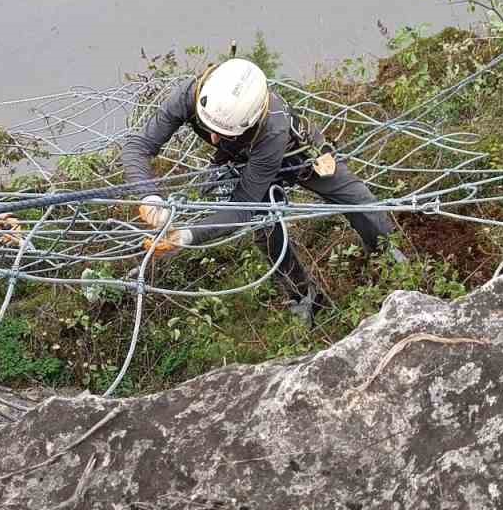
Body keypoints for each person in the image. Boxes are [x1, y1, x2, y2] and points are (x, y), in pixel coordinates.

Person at [120, 57, 402, 324]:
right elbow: (138, 146)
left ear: (251, 121)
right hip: (239, 161)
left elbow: (241, 206)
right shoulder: (189, 95)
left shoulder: (272, 128)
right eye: (208, 128)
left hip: (298, 156)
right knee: (268, 231)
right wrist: (149, 195)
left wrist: (187, 235)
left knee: (358, 201)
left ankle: (386, 253)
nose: (213, 137)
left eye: (223, 133)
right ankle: (305, 297)